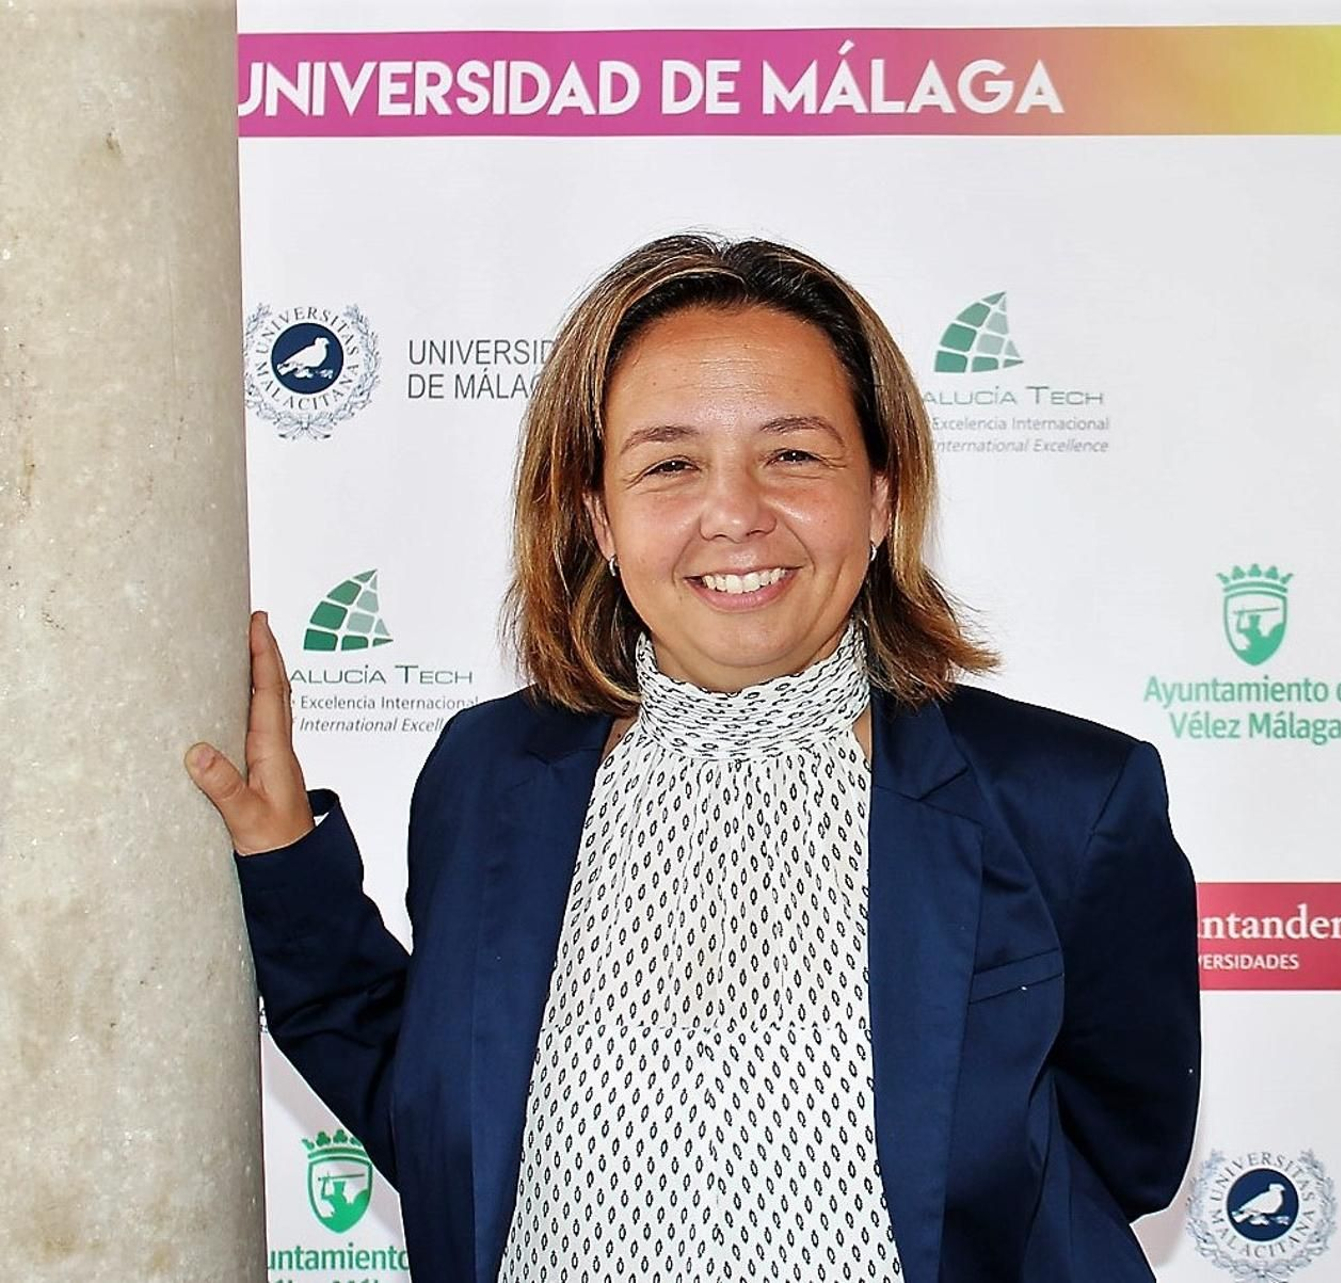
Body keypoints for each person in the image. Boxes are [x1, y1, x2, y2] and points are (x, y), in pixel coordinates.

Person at [186, 234, 1200, 1283]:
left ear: (882, 495)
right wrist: (287, 861)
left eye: (794, 454)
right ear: (598, 515)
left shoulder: (1067, 799)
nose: (735, 514)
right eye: (669, 464)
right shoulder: (487, 773)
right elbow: (448, 1128)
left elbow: (1115, 1152)